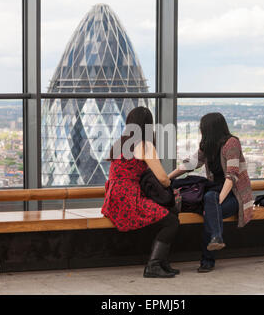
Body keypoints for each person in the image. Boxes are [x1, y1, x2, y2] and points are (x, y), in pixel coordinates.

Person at [168, 112, 253, 272]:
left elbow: (232, 175)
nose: (201, 131)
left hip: (235, 196)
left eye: (202, 128)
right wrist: (167, 178)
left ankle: (208, 260)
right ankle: (215, 240)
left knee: (211, 210)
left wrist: (218, 200)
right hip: (214, 193)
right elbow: (190, 164)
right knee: (209, 201)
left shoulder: (231, 143)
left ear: (210, 129)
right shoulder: (207, 145)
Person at [102, 106, 180, 278]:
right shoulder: (144, 145)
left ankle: (162, 262)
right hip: (129, 199)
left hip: (113, 199)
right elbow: (162, 178)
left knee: (170, 215)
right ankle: (153, 265)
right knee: (172, 221)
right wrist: (169, 185)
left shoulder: (120, 144)